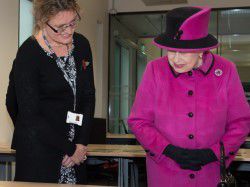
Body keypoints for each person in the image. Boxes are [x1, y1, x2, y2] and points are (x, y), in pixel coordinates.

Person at [128, 6, 250, 187]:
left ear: (201, 50)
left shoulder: (225, 71)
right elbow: (138, 121)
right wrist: (168, 150)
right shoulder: (155, 70)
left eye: (183, 52)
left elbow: (241, 123)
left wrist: (213, 153)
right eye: (171, 50)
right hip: (165, 172)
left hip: (210, 173)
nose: (176, 59)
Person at [5, 0, 95, 184]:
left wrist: (81, 144)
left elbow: (88, 96)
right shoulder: (28, 53)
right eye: (60, 27)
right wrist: (69, 149)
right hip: (39, 152)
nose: (69, 31)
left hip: (75, 151)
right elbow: (27, 112)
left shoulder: (82, 44)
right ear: (42, 22)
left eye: (72, 23)